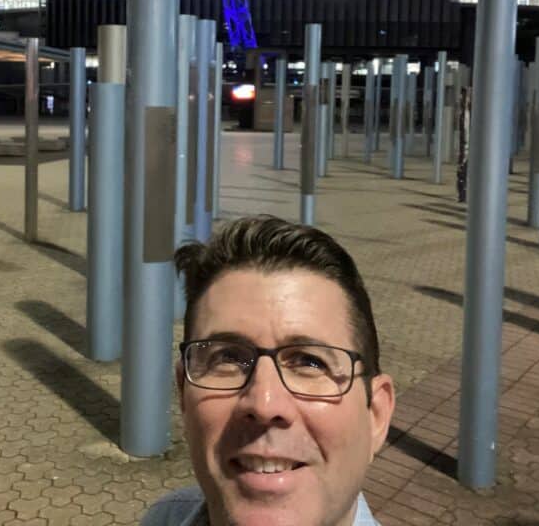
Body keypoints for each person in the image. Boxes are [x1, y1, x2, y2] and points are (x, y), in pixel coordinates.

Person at [142, 215, 395, 526]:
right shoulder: (164, 517)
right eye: (227, 359)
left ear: (376, 416)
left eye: (310, 362)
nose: (264, 404)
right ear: (183, 394)